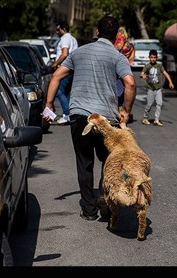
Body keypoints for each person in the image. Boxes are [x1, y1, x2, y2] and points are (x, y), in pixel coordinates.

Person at [44, 15, 136, 221]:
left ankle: (88, 210)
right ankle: (105, 196)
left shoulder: (79, 53)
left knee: (84, 163)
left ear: (97, 31)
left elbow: (57, 76)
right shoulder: (117, 56)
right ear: (116, 35)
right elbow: (130, 83)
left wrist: (49, 105)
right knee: (109, 161)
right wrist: (126, 111)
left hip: (80, 117)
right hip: (107, 121)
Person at [51, 21, 78, 124]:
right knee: (67, 92)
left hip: (65, 67)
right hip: (72, 68)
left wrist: (55, 64)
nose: (57, 32)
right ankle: (71, 114)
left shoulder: (65, 38)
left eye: (58, 29)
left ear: (63, 29)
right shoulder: (73, 39)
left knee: (59, 91)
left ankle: (67, 115)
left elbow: (64, 54)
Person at [140, 49, 174, 126]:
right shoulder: (147, 66)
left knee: (159, 104)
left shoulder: (159, 66)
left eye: (154, 57)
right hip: (150, 89)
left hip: (158, 89)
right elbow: (141, 74)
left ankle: (156, 120)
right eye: (151, 57)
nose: (153, 59)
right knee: (149, 104)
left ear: (157, 58)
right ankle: (145, 118)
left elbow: (166, 74)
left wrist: (170, 82)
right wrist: (143, 75)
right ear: (149, 57)